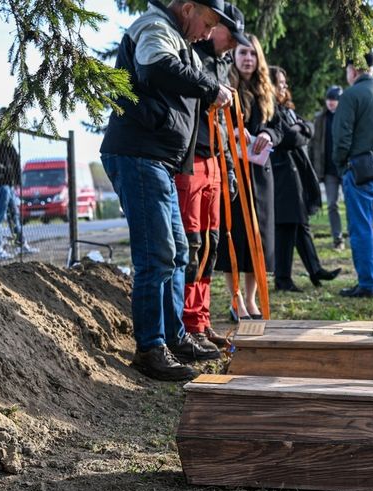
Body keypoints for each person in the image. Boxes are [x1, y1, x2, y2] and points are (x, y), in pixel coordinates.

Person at [100, 0, 235, 381]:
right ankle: (150, 348)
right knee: (155, 254)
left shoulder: (177, 35)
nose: (208, 34)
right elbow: (155, 66)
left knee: (176, 253)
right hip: (138, 154)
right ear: (188, 7)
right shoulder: (155, 28)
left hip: (157, 159)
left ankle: (174, 338)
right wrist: (209, 86)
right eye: (207, 24)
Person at [179, 2, 249, 352]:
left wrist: (230, 169)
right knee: (192, 244)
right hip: (190, 162)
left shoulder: (222, 64)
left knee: (211, 243)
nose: (234, 45)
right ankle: (186, 323)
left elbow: (223, 123)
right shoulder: (189, 53)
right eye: (229, 35)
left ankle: (202, 321)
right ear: (213, 24)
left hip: (215, 163)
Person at [214, 34, 280, 319]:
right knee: (236, 238)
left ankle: (252, 300)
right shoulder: (225, 88)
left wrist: (267, 133)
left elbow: (280, 127)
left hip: (260, 176)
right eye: (243, 53)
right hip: (234, 173)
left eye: (253, 54)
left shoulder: (267, 90)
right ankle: (236, 300)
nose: (248, 59)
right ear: (234, 56)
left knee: (259, 241)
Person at [269, 66, 341, 292]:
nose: (284, 86)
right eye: (280, 82)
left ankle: (315, 269)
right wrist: (299, 131)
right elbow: (289, 137)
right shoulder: (269, 107)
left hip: (295, 170)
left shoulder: (285, 108)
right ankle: (283, 278)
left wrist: (300, 127)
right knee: (287, 226)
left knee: (301, 223)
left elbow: (307, 127)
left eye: (284, 82)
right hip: (281, 172)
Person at [333, 52, 373, 298]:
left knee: (362, 229)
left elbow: (342, 137)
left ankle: (367, 284)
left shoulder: (350, 95)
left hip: (360, 169)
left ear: (353, 69)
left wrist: (340, 165)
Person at [0, 108, 36, 259]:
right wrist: (4, 171)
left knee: (14, 215)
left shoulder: (4, 136)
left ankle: (20, 244)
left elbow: (14, 159)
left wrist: (16, 179)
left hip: (8, 183)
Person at [309, 86, 346, 250]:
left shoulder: (347, 116)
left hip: (346, 167)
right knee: (332, 204)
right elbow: (313, 145)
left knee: (353, 204)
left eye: (335, 100)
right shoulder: (320, 119)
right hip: (329, 170)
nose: (332, 103)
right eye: (329, 99)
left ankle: (356, 236)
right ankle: (338, 238)